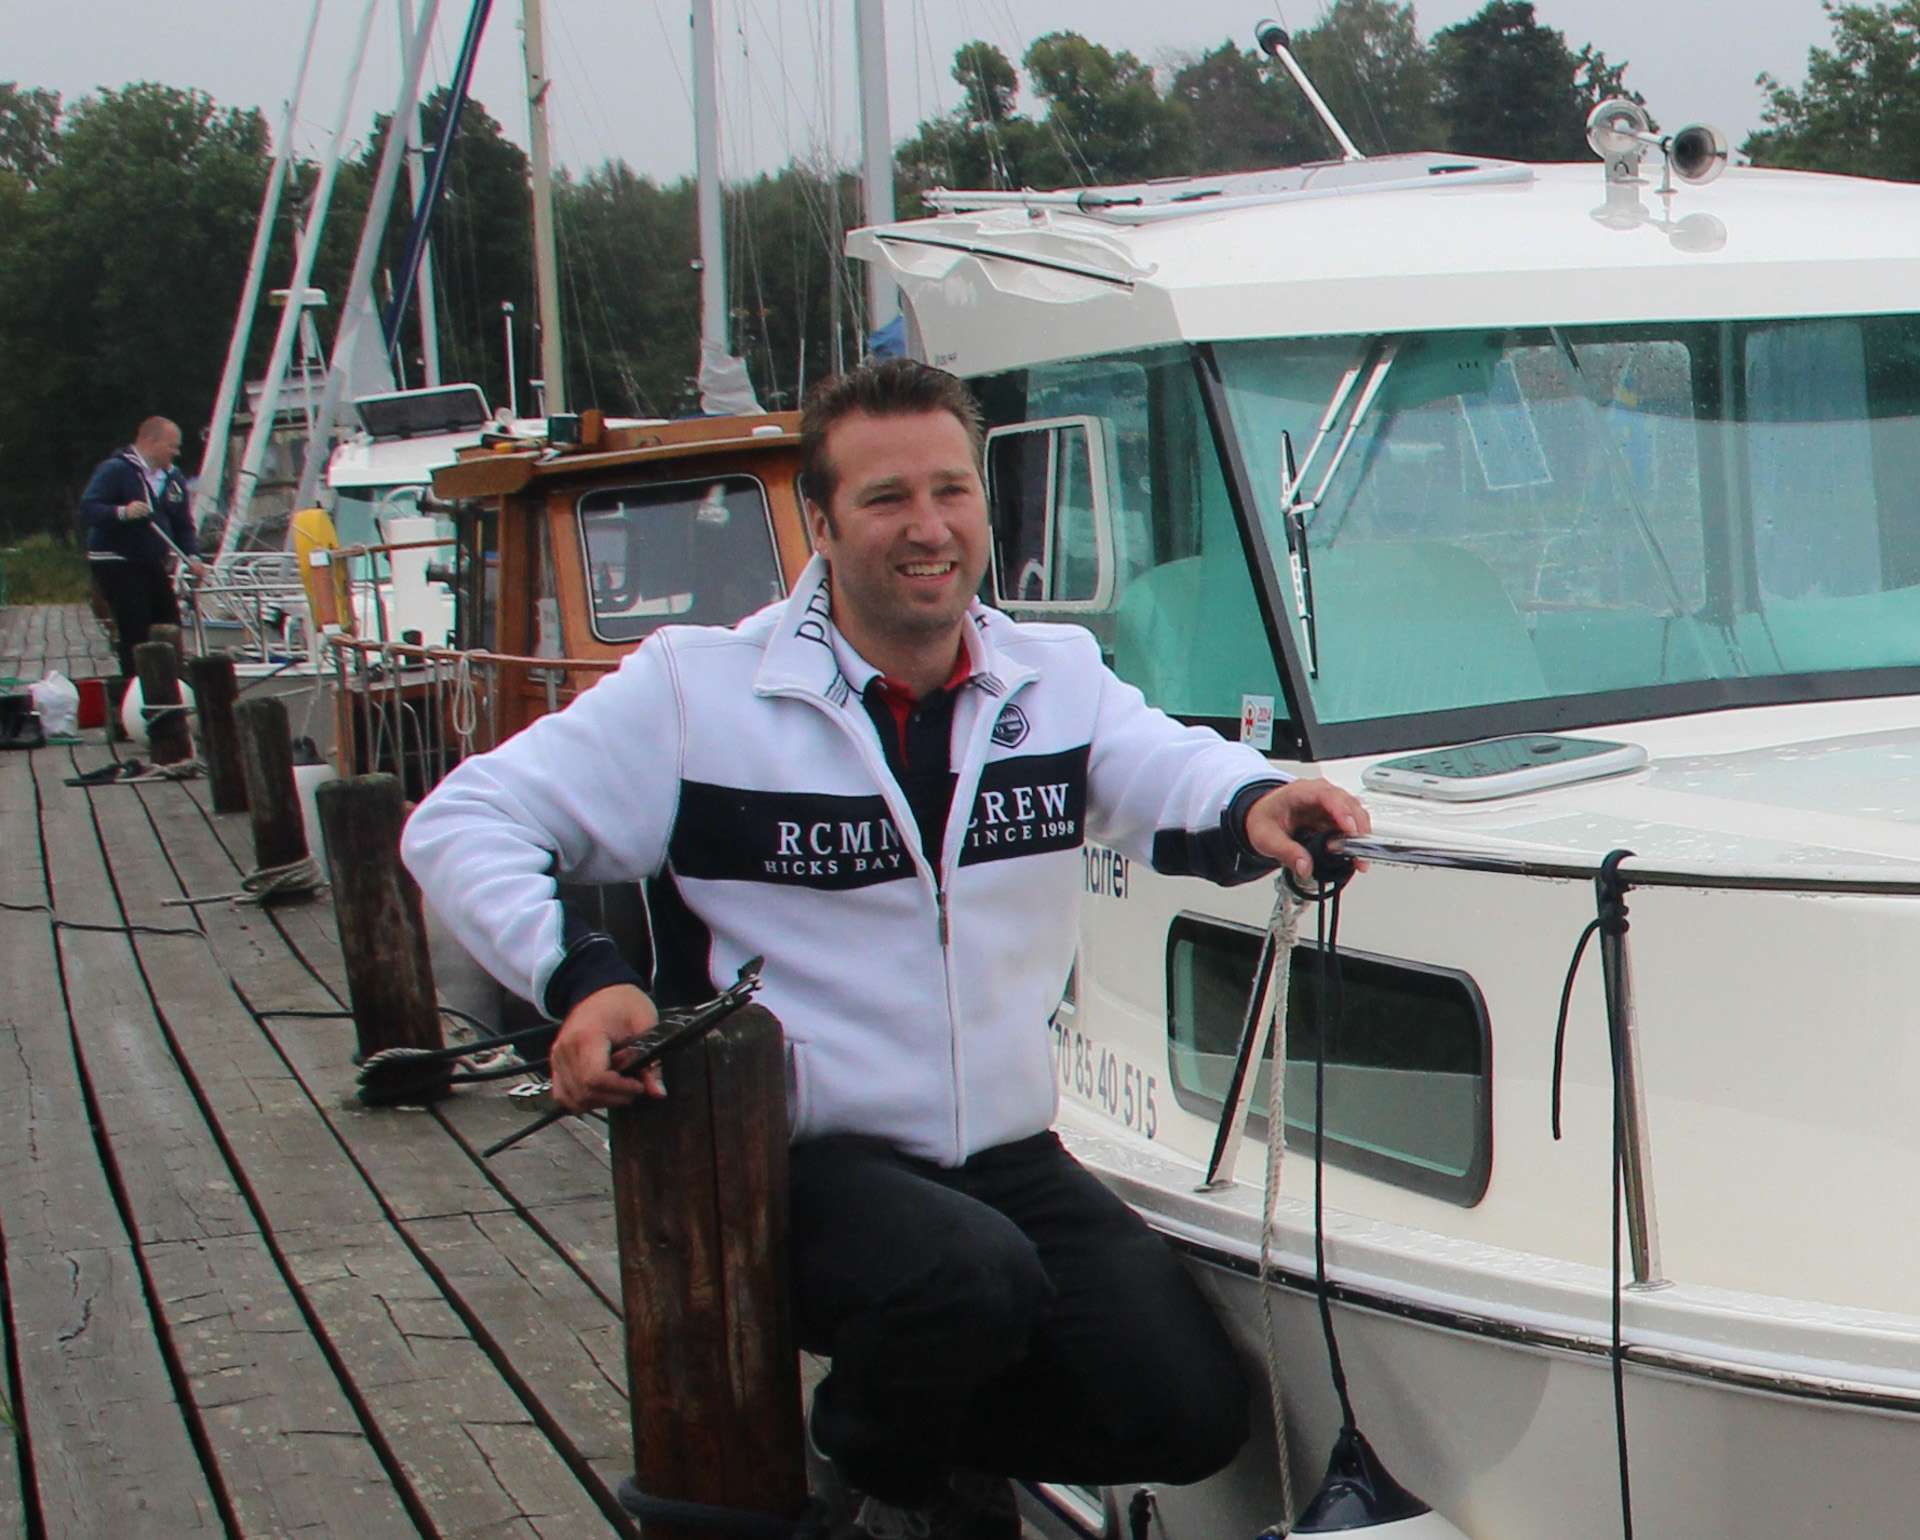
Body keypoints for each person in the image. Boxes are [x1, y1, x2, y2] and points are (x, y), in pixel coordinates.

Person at [401, 359, 1371, 1539]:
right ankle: (867, 1480)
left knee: (1185, 1410)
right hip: (791, 1160)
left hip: (1001, 1153)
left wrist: (1259, 800)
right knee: (966, 1278)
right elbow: (463, 821)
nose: (929, 527)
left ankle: (904, 1451)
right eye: (887, 498)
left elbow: (1170, 766)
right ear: (819, 521)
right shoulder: (699, 695)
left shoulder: (1051, 677)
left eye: (952, 491)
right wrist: (583, 981)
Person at [78, 416, 209, 677]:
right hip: (116, 560)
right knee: (135, 626)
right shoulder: (116, 470)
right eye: (172, 446)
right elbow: (89, 508)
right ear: (150, 441)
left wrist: (193, 556)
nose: (176, 452)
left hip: (150, 560)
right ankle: (136, 682)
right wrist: (122, 512)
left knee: (168, 622)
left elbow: (183, 524)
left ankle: (171, 680)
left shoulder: (173, 478)